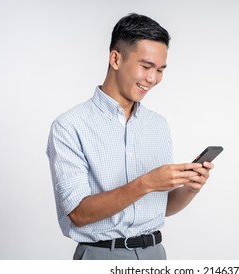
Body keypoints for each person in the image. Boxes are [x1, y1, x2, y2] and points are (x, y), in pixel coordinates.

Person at [46, 13, 214, 260]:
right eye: (146, 66)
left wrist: (190, 188)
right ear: (115, 58)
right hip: (101, 256)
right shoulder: (70, 126)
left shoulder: (158, 125)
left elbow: (158, 208)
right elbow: (79, 213)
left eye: (160, 70)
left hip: (155, 255)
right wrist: (146, 182)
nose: (153, 79)